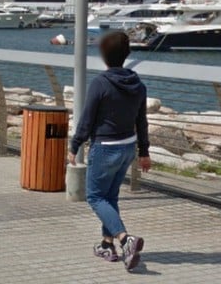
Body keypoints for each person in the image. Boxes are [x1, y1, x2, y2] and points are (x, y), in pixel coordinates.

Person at [67, 30, 151, 270]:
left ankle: (125, 239)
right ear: (127, 54)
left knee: (95, 197)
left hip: (105, 148)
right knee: (109, 197)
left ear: (104, 55)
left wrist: (75, 145)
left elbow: (87, 119)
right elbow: (141, 121)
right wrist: (144, 151)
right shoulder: (138, 85)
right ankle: (107, 244)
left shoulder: (100, 83)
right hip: (127, 147)